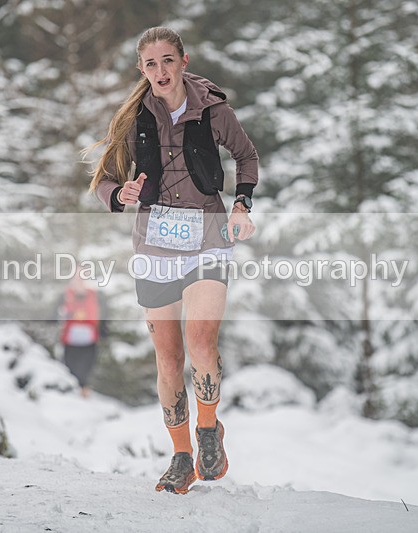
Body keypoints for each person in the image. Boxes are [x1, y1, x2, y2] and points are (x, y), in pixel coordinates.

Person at [87, 27, 258, 494]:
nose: (160, 71)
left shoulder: (213, 110)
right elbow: (103, 179)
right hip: (155, 243)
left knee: (201, 342)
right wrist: (118, 195)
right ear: (141, 71)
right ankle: (181, 456)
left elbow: (245, 157)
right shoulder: (134, 118)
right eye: (150, 64)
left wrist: (242, 204)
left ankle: (208, 430)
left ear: (184, 61)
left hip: (206, 233)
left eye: (167, 60)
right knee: (168, 359)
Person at [57, 271, 107, 398]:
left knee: (86, 369)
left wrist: (104, 330)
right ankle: (70, 394)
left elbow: (103, 315)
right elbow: (55, 314)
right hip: (70, 340)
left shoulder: (95, 296)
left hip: (89, 340)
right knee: (69, 368)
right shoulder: (65, 296)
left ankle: (84, 393)